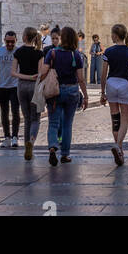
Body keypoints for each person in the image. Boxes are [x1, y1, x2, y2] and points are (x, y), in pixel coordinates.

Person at [41, 25, 89, 165]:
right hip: (72, 91)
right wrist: (85, 96)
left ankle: (52, 147)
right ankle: (65, 154)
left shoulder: (52, 53)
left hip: (55, 92)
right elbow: (80, 78)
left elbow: (43, 72)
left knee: (54, 122)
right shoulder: (76, 55)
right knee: (68, 124)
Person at [100, 24, 128, 166]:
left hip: (111, 84)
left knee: (115, 119)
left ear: (115, 35)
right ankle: (118, 146)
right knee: (125, 120)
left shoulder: (109, 52)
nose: (111, 36)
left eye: (111, 34)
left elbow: (103, 74)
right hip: (124, 84)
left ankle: (119, 150)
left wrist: (102, 92)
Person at [11, 26, 45, 160]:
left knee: (26, 118)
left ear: (24, 37)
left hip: (21, 86)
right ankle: (31, 141)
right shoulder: (39, 53)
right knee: (35, 118)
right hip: (34, 87)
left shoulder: (18, 52)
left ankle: (26, 147)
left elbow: (13, 72)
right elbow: (40, 73)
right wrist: (32, 77)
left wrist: (24, 77)